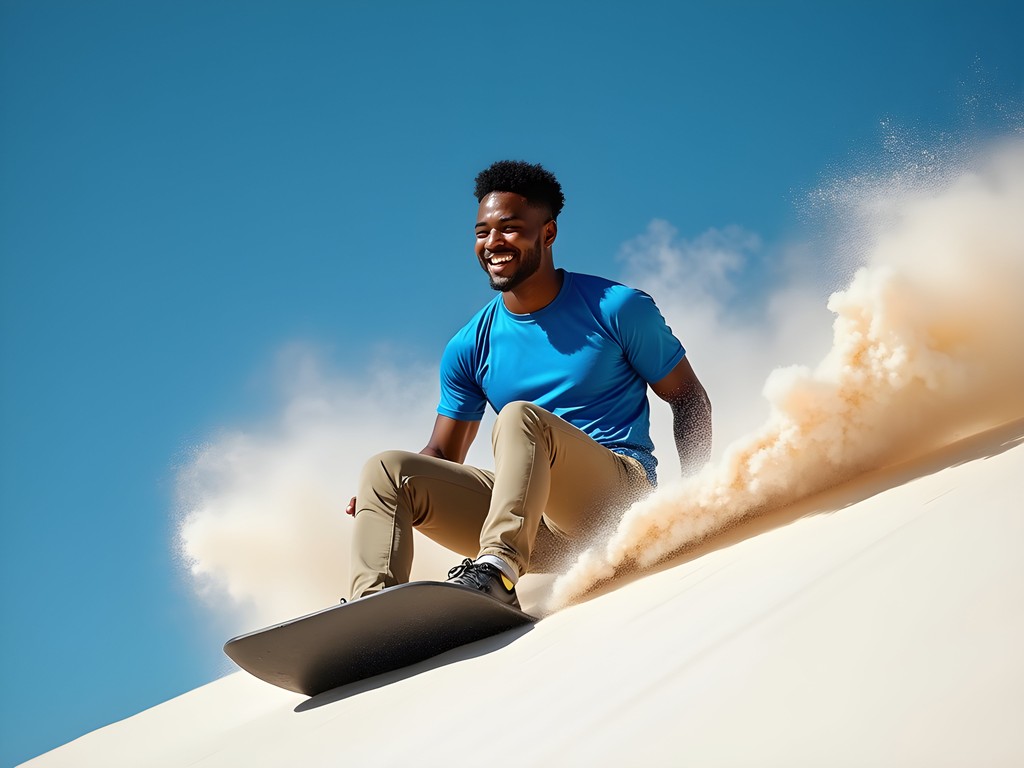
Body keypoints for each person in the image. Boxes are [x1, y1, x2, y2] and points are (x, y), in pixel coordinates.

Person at [345, 160, 711, 607]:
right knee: (386, 470)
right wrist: (378, 500)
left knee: (519, 418)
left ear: (548, 233)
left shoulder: (616, 308)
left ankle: (497, 573)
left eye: (510, 229)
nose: (493, 243)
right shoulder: (470, 345)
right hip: (535, 526)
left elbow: (688, 398)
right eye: (482, 232)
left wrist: (695, 495)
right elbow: (442, 453)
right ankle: (374, 608)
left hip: (614, 503)